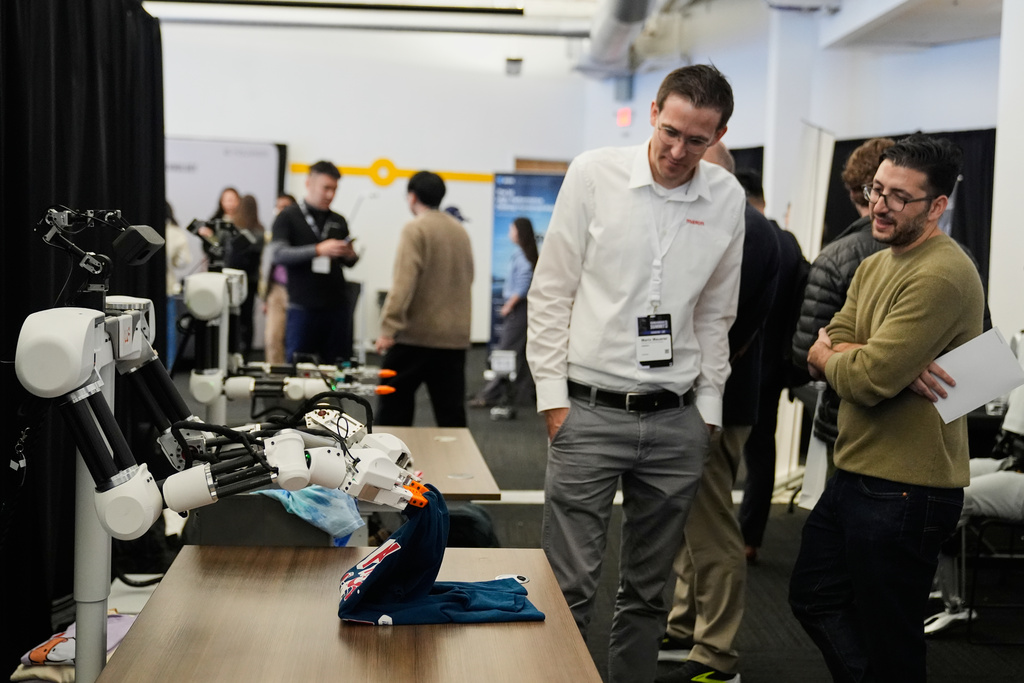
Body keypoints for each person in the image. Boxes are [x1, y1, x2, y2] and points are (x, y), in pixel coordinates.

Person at [526, 64, 745, 683]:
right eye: (670, 131)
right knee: (567, 590)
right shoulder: (593, 173)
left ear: (720, 135)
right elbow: (552, 293)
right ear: (653, 111)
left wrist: (708, 412)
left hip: (677, 420)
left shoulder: (725, 198)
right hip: (588, 411)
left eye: (696, 140)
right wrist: (552, 401)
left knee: (650, 595)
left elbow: (714, 315)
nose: (678, 151)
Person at [791, 134, 986, 683]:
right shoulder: (878, 265)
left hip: (908, 487)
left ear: (936, 206)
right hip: (856, 470)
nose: (880, 204)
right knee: (815, 596)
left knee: (892, 638)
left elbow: (869, 378)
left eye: (899, 197)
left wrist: (860, 361)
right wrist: (852, 356)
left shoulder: (942, 273)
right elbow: (829, 349)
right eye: (877, 189)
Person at [658, 143, 779, 683]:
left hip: (717, 401)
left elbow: (719, 326)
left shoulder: (745, 230)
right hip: (721, 396)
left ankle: (716, 652)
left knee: (711, 528)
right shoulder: (758, 229)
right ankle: (686, 627)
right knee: (694, 522)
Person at [791, 138, 895, 461]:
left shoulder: (837, 257)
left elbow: (808, 354)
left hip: (849, 427)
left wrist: (843, 353)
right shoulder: (956, 257)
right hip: (924, 432)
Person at [734, 168, 809, 564]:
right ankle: (750, 538)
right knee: (763, 453)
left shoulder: (738, 234)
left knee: (716, 456)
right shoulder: (790, 244)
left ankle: (708, 541)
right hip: (773, 372)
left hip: (734, 369)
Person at [924, 339, 1024, 635]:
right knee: (946, 476)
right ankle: (941, 586)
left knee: (958, 498)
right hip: (1016, 464)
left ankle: (955, 605)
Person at [374, 171, 474, 427]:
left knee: (393, 410)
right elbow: (468, 277)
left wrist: (388, 328)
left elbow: (403, 283)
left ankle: (392, 465)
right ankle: (458, 464)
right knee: (451, 416)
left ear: (412, 196)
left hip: (415, 337)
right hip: (454, 339)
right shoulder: (459, 230)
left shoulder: (415, 229)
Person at [270, 161, 359, 364]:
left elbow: (349, 263)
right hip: (303, 306)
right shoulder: (288, 217)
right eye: (326, 188)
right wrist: (318, 250)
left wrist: (349, 255)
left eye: (334, 189)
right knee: (299, 370)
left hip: (336, 306)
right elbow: (279, 255)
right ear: (309, 183)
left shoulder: (339, 220)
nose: (330, 195)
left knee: (337, 368)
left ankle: (332, 397)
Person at [470, 216, 539, 410]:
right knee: (523, 355)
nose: (509, 233)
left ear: (519, 232)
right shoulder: (525, 253)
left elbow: (524, 283)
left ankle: (490, 395)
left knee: (505, 353)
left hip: (519, 309)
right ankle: (522, 394)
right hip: (525, 309)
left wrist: (510, 304)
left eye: (512, 229)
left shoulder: (523, 256)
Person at [225, 194, 265, 361]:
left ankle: (230, 351)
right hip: (250, 280)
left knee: (231, 316)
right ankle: (245, 354)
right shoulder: (259, 232)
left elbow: (228, 254)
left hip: (232, 279)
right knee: (247, 318)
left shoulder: (233, 229)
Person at [261, 193, 297, 364]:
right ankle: (275, 380)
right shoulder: (274, 232)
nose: (280, 211)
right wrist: (265, 298)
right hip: (276, 288)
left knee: (293, 339)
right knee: (272, 337)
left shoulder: (300, 233)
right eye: (278, 207)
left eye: (285, 207)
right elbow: (267, 266)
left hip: (296, 290)